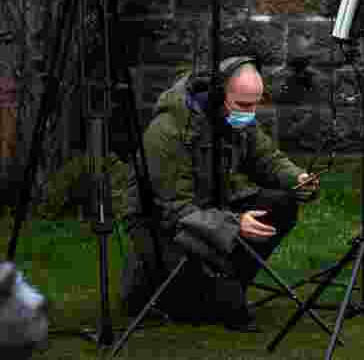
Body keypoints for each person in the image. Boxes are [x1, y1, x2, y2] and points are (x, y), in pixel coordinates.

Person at [120, 56, 321, 331]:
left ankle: (229, 282)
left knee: (282, 203)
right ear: (217, 95)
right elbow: (175, 209)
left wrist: (296, 178)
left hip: (211, 208)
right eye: (243, 105)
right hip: (162, 224)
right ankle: (160, 286)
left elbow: (266, 158)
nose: (249, 114)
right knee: (204, 311)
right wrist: (235, 224)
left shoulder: (237, 118)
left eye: (254, 105)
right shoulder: (167, 131)